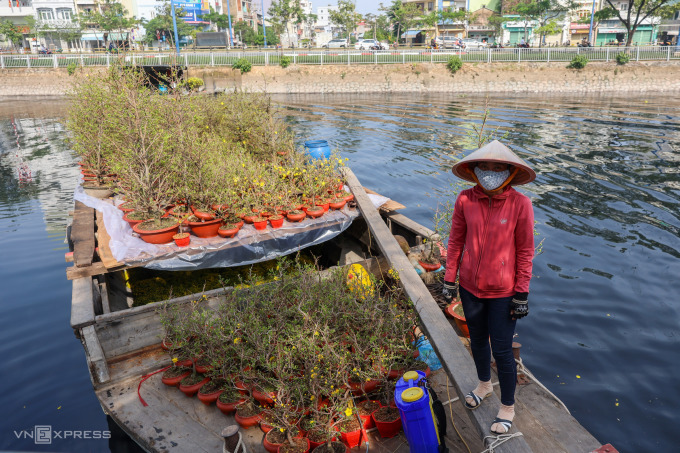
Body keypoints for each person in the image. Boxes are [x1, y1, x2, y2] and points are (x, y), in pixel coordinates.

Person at [441, 140, 536, 435]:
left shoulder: (521, 204)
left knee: (504, 351)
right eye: (485, 166)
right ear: (475, 169)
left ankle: (507, 405)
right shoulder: (465, 200)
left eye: (498, 167)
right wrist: (449, 279)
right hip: (470, 288)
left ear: (509, 172)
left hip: (504, 293)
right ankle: (483, 384)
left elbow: (525, 251)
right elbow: (456, 241)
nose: (490, 172)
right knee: (478, 341)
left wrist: (521, 292)